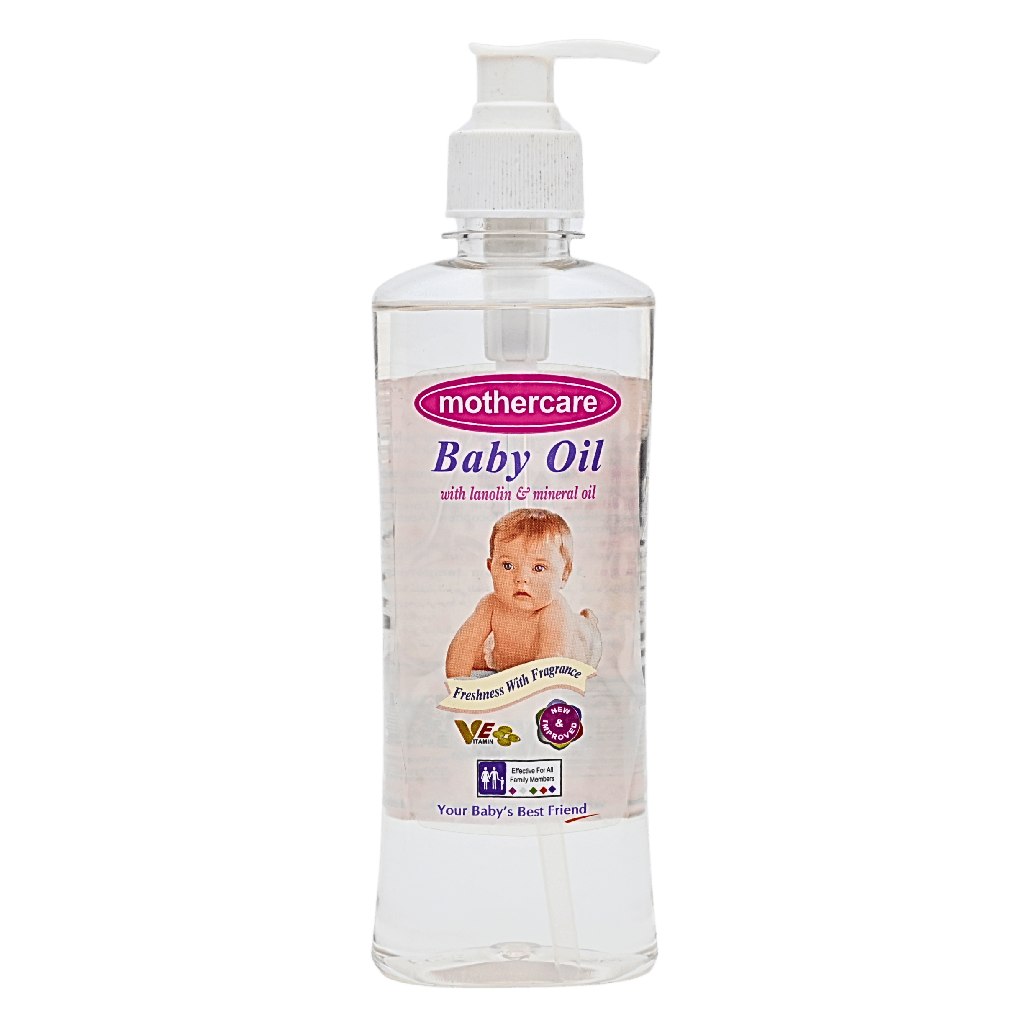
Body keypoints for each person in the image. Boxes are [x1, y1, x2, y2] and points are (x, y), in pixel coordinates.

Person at [446, 509, 601, 678]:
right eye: (508, 566)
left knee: (584, 634)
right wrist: (458, 684)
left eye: (538, 568)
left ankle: (588, 621)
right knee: (473, 656)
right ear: (491, 568)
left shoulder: (554, 610)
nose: (521, 578)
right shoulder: (490, 604)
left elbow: (550, 667)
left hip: (570, 649)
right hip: (506, 657)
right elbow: (463, 645)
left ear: (564, 575)